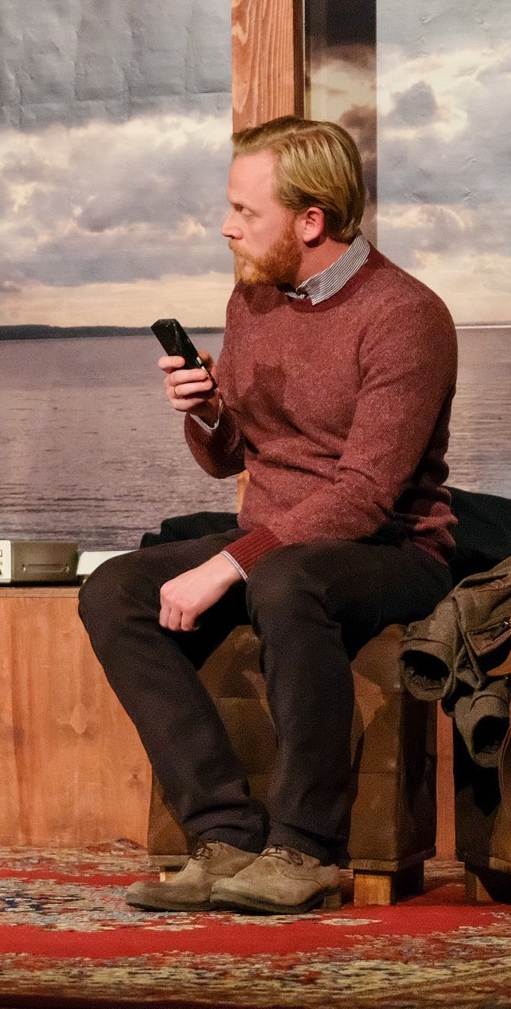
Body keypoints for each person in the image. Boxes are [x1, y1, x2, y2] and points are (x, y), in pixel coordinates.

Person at [78, 116, 457, 915]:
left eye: (245, 211)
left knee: (286, 580)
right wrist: (206, 410)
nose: (227, 226)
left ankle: (305, 850)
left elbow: (363, 496)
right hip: (280, 538)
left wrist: (228, 564)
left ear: (311, 220)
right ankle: (223, 835)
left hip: (390, 551)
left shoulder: (405, 315)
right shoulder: (252, 298)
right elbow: (230, 459)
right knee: (113, 589)